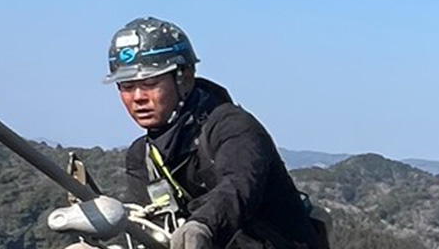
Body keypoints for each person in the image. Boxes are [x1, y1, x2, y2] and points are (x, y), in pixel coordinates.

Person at [107, 17, 326, 249]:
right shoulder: (143, 155)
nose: (138, 97)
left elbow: (238, 187)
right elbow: (148, 224)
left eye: (150, 83)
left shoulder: (232, 127)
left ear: (185, 78)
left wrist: (202, 225)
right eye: (127, 86)